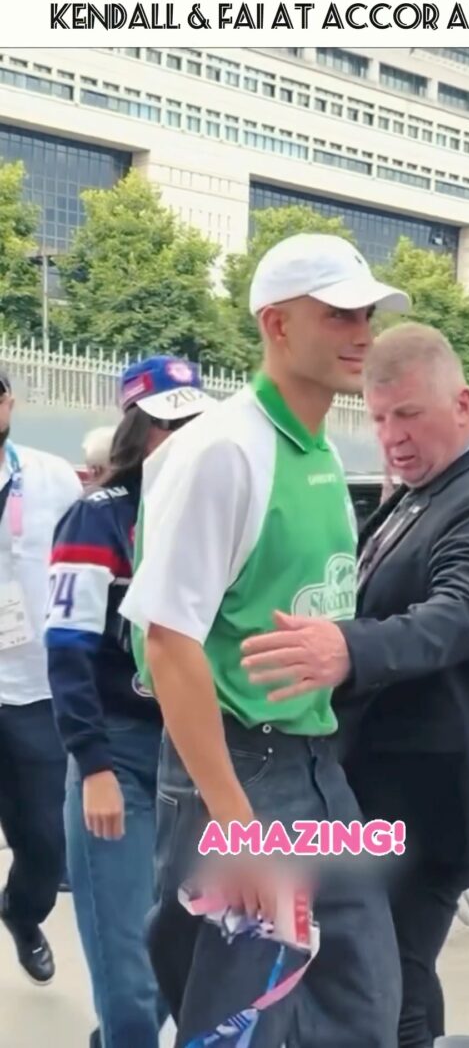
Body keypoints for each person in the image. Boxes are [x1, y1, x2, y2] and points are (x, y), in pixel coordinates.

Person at [120, 233, 411, 1048]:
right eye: (339, 313)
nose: (362, 331)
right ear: (277, 325)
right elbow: (169, 641)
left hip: (316, 773)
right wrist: (237, 824)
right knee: (236, 1025)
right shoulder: (222, 450)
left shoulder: (315, 448)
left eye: (367, 313)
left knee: (361, 1007)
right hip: (242, 773)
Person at [242, 323, 469, 1048]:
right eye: (377, 418)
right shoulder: (422, 491)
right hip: (394, 783)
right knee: (391, 967)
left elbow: (455, 615)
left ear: (464, 404)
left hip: (436, 798)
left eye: (408, 414)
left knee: (384, 977)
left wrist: (343, 647)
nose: (391, 435)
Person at [45, 356, 214, 1048]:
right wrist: (94, 765)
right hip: (117, 749)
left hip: (192, 753)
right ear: (141, 430)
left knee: (191, 954)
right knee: (128, 965)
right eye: (171, 422)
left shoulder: (209, 516)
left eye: (195, 420)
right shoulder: (97, 516)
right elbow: (68, 648)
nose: (187, 435)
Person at [0, 368, 83, 984]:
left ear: (8, 402)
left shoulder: (51, 476)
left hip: (32, 689)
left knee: (45, 844)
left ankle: (22, 913)